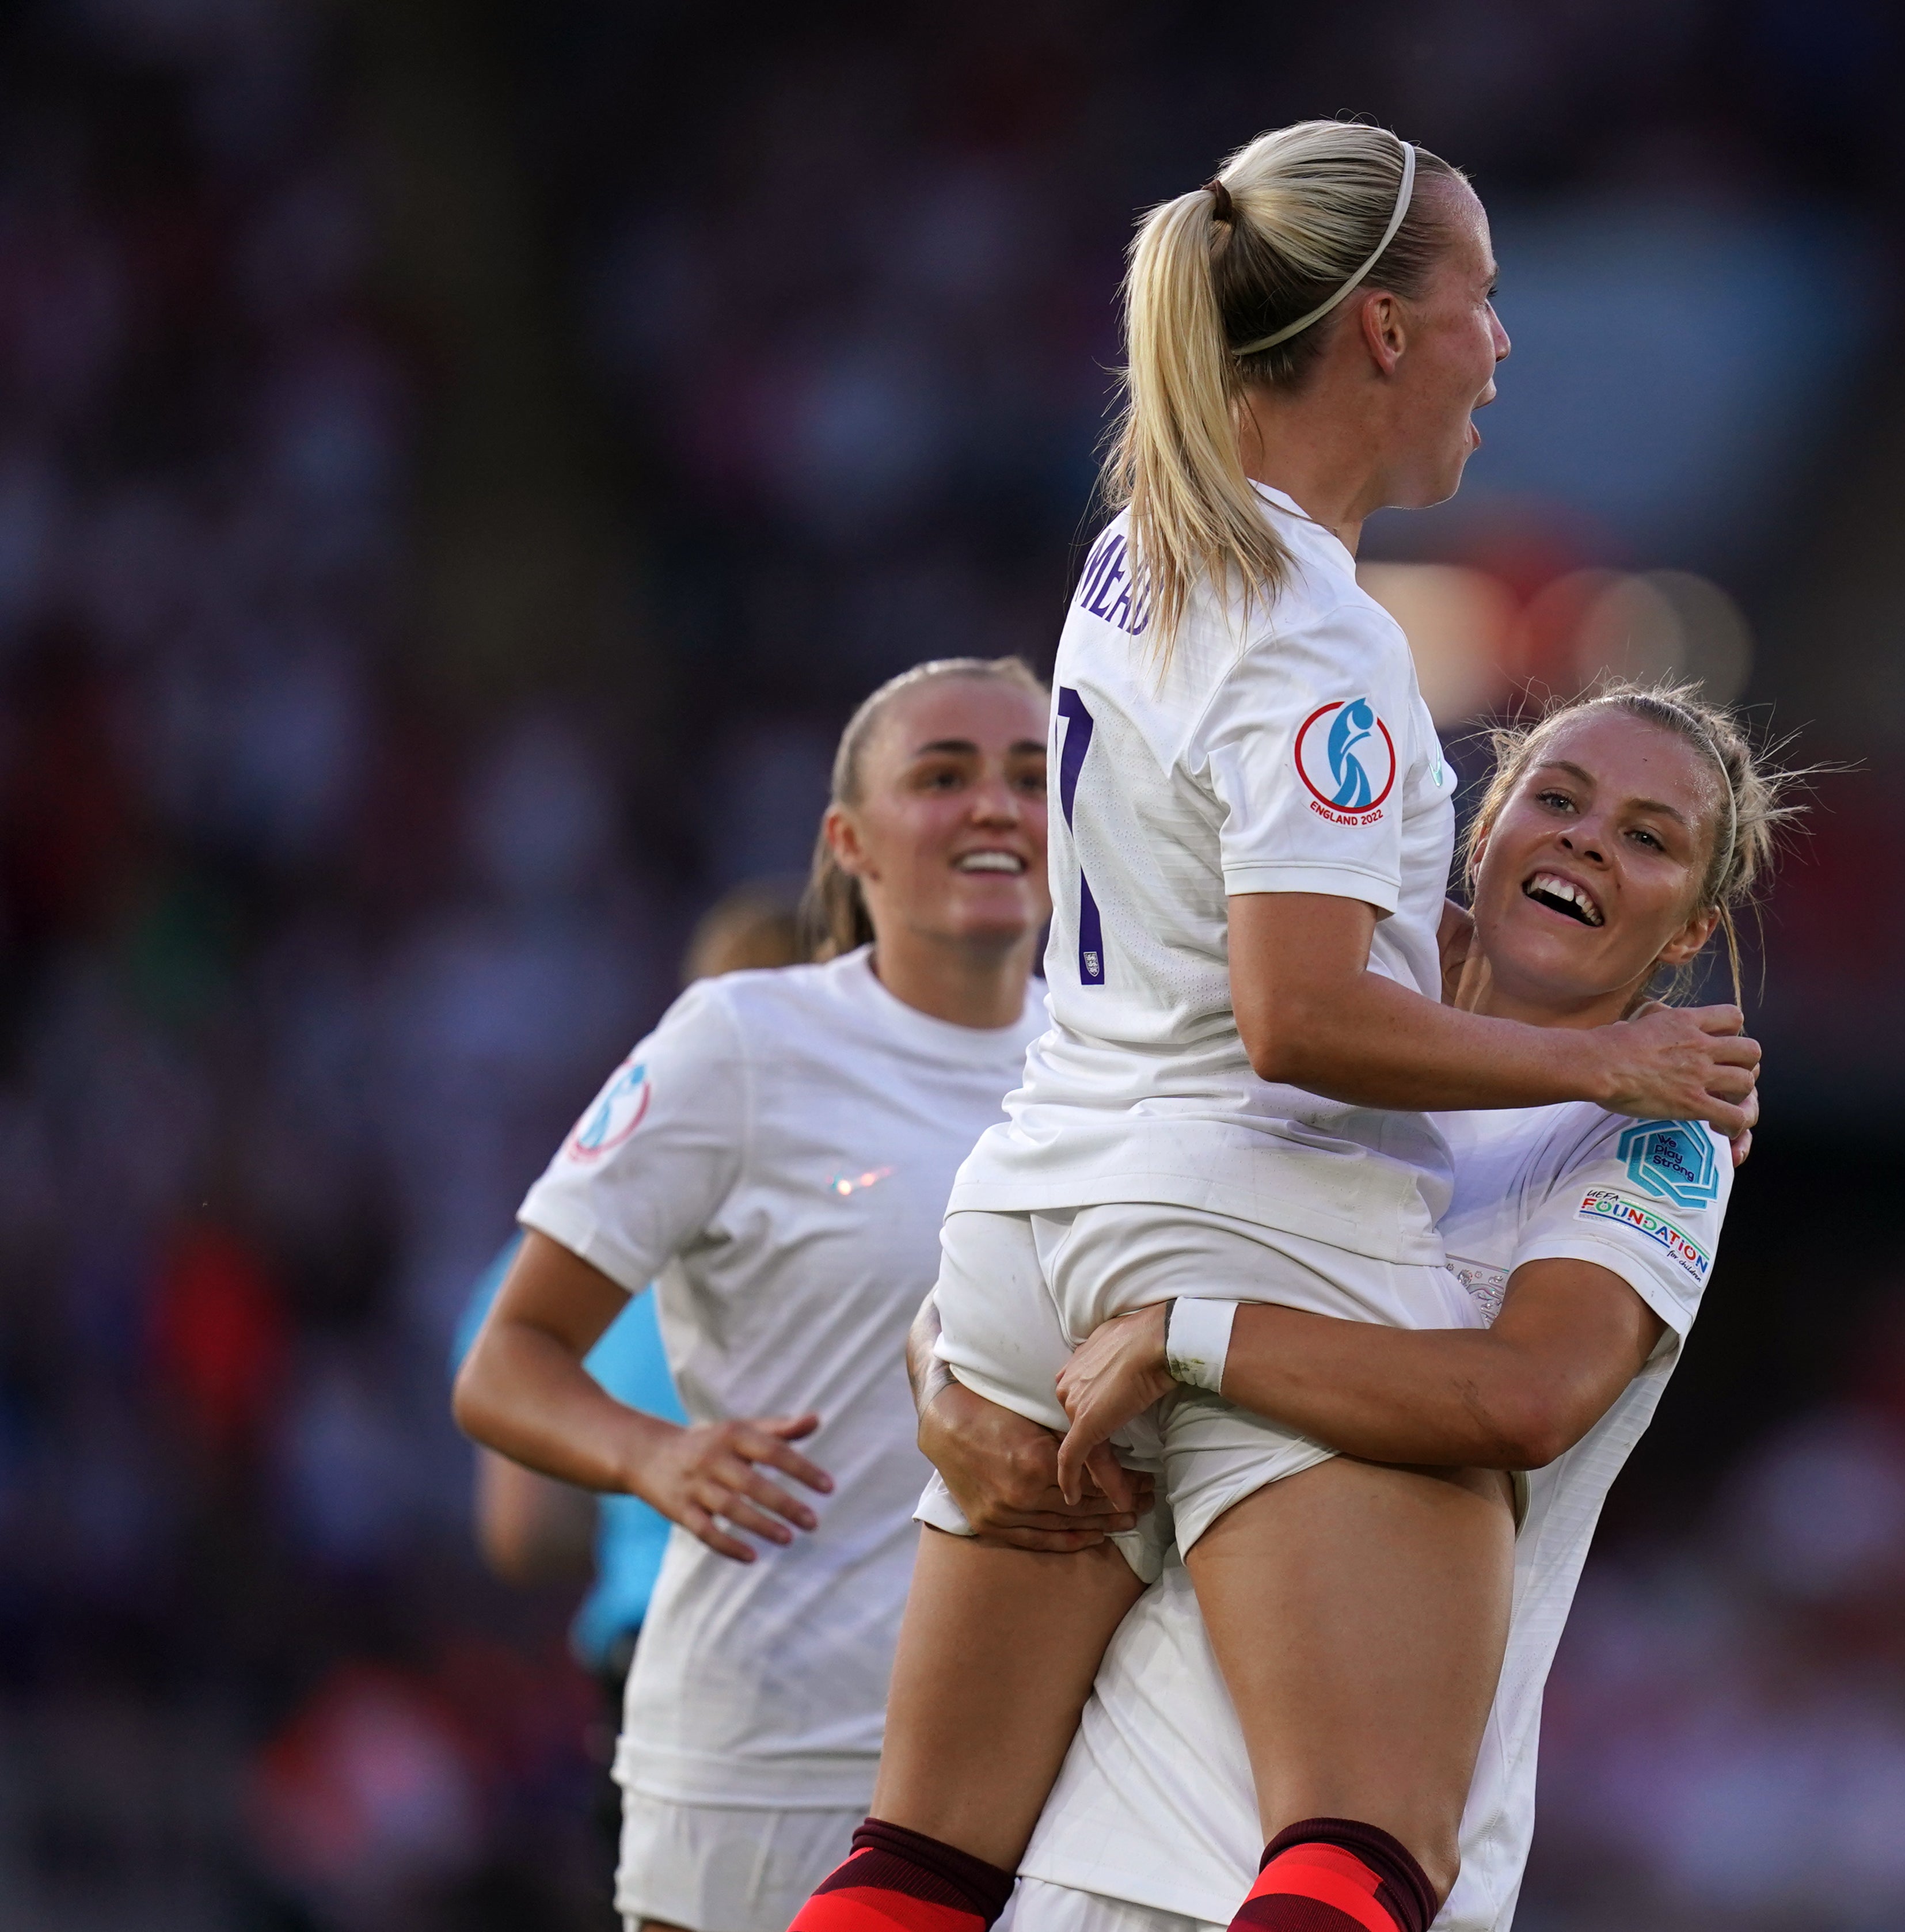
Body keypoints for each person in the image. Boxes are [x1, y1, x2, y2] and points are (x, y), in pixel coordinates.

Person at [790, 122, 1760, 1932]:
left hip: (1039, 1216)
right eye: (1482, 298)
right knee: (1376, 1844)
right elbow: (1298, 1017)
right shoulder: (1332, 646)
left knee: (915, 1856)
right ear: (1383, 333)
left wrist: (984, 1350)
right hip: (1229, 1204)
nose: (1501, 343)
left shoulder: (1133, 556)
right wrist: (1604, 1054)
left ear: (1694, 917)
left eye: (1645, 841)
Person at [934, 686, 1796, 1932]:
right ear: (1483, 828)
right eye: (1555, 800)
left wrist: (1189, 1337)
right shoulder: (1288, 1021)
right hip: (1118, 1804)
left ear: (1686, 934)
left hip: (1368, 1843)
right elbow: (1024, 1228)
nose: (1588, 840)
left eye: (1649, 838)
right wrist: (943, 1393)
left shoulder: (1660, 1139)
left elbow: (1526, 1394)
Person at [454, 658, 1093, 1932]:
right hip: (769, 1754)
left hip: (1040, 1766)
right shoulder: (741, 1043)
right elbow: (505, 1359)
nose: (995, 808)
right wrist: (653, 1454)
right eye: (942, 775)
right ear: (846, 842)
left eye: (1032, 777)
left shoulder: (1112, 1057)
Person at [448, 887, 806, 1858]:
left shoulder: (552, 1265)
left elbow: (522, 1529)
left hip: (655, 1672)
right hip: (855, 1667)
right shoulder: (883, 1225)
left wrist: (644, 1492)